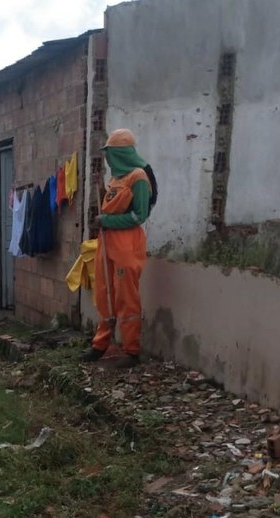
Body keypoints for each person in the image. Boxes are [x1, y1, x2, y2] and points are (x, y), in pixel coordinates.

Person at [81, 129, 153, 368]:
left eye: (110, 153)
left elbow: (139, 215)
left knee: (125, 296)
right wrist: (101, 191)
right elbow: (114, 205)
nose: (107, 159)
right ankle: (100, 345)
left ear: (120, 153)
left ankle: (131, 350)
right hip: (107, 241)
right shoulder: (115, 179)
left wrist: (107, 221)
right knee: (105, 293)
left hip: (127, 243)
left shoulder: (138, 177)